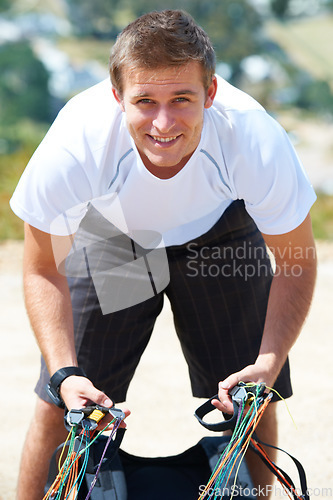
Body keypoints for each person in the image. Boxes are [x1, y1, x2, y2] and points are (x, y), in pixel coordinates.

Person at [10, 9, 317, 500]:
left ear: (210, 93)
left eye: (182, 99)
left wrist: (269, 362)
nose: (163, 122)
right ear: (117, 98)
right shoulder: (77, 141)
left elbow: (297, 265)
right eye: (145, 101)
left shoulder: (253, 138)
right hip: (119, 237)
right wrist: (65, 374)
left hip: (222, 233)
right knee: (59, 404)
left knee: (252, 400)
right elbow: (43, 269)